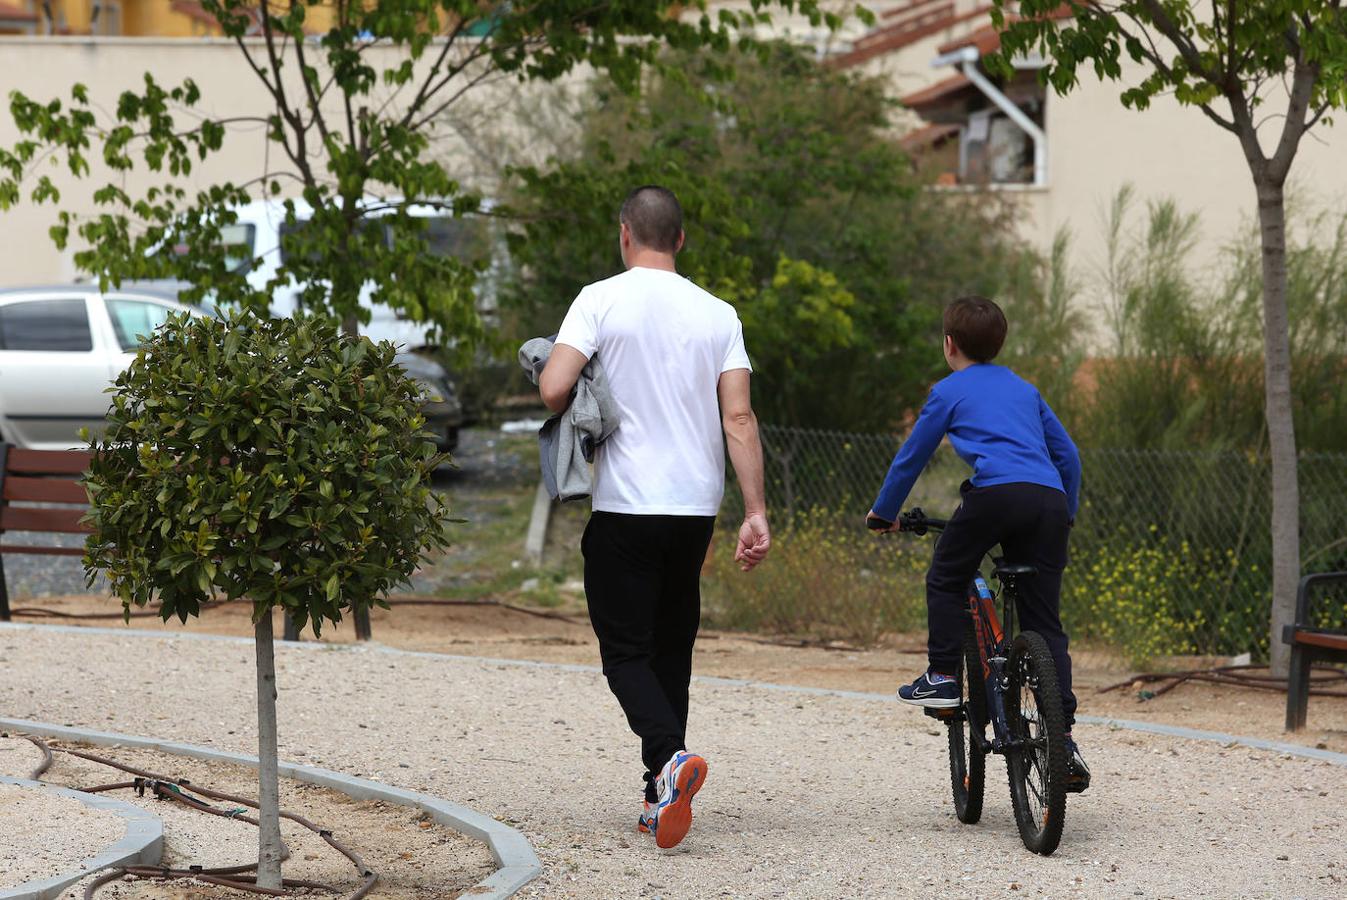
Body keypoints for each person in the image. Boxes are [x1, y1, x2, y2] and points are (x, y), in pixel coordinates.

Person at [538, 185, 771, 848]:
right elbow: (739, 417)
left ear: (624, 235)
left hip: (626, 506)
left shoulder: (599, 299)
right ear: (681, 239)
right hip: (694, 506)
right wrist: (754, 511)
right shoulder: (717, 313)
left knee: (625, 653)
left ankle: (669, 758)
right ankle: (658, 793)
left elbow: (555, 387)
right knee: (671, 647)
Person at [865, 295, 1090, 788]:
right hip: (1049, 501)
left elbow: (911, 458)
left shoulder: (948, 391)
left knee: (946, 577)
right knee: (1044, 620)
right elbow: (1068, 456)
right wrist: (1065, 513)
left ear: (950, 345)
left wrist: (883, 513)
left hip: (995, 497)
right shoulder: (1026, 390)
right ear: (999, 343)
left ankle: (943, 676)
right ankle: (1064, 738)